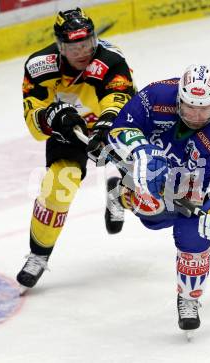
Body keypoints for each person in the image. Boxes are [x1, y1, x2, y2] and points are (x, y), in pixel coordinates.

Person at [105, 64, 210, 333]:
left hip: (192, 181)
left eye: (204, 109)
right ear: (178, 99)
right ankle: (121, 194)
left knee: (197, 233)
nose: (196, 116)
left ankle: (190, 298)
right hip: (149, 167)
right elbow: (118, 129)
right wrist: (141, 150)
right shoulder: (157, 95)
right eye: (190, 107)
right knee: (152, 213)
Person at [17, 7, 136, 292]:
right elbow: (34, 124)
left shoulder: (111, 59)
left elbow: (120, 97)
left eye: (87, 43)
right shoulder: (39, 67)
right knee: (59, 185)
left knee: (143, 183)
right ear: (60, 46)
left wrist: (106, 125)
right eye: (74, 47)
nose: (83, 51)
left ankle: (119, 195)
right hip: (67, 130)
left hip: (112, 124)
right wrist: (50, 117)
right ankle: (38, 254)